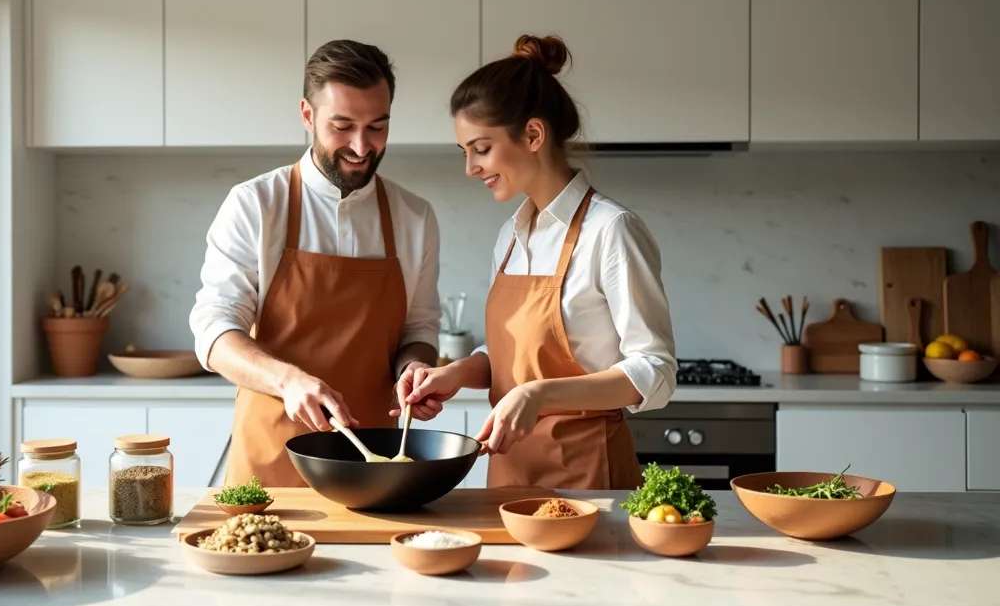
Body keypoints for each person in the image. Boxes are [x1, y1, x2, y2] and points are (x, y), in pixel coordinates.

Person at [394, 34, 677, 490]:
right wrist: (455, 374)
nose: (470, 168)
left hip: (588, 477)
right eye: (465, 152)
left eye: (481, 149)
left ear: (532, 135)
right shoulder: (511, 236)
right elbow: (513, 356)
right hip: (510, 474)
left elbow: (655, 371)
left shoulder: (611, 229)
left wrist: (540, 394)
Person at [190, 39, 442, 487]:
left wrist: (414, 370)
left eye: (377, 127)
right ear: (307, 115)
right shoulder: (256, 205)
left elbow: (419, 330)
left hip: (376, 466)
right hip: (270, 463)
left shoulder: (414, 217)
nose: (361, 146)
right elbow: (214, 331)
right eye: (342, 126)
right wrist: (287, 381)